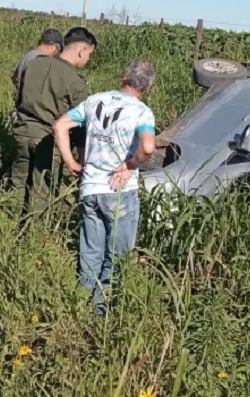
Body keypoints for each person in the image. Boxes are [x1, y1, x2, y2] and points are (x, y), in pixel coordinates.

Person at [52, 59, 157, 316]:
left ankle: (82, 304)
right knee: (117, 255)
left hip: (90, 187)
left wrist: (70, 161)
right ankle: (103, 311)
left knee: (90, 250)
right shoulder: (142, 112)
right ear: (147, 88)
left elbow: (60, 125)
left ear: (124, 76)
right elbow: (147, 147)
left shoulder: (95, 100)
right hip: (120, 191)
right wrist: (130, 165)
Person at [11, 27, 97, 234]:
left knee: (18, 184)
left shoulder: (34, 64)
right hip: (49, 141)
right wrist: (81, 158)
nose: (88, 60)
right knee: (41, 193)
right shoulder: (75, 82)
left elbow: (18, 96)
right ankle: (32, 237)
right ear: (81, 51)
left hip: (22, 132)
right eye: (89, 54)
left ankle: (7, 226)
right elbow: (80, 126)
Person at [10, 28, 62, 106]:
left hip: (20, 105)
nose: (55, 56)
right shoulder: (42, 60)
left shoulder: (29, 55)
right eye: (57, 52)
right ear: (53, 47)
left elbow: (13, 75)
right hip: (32, 108)